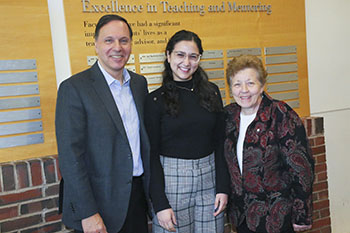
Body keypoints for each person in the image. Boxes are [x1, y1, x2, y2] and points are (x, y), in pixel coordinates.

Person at [55, 14, 150, 233]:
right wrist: (87, 212)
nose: (117, 47)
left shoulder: (139, 84)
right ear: (96, 45)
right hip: (98, 204)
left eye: (124, 40)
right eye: (109, 40)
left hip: (136, 199)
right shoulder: (75, 88)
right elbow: (70, 157)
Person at [144, 30, 230, 233]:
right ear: (168, 56)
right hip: (172, 183)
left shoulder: (212, 92)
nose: (186, 62)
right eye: (180, 55)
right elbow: (151, 155)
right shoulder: (155, 100)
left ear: (199, 58)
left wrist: (223, 188)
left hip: (209, 181)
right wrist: (160, 203)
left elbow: (220, 143)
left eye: (193, 56)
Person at [224, 55, 314, 233]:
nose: (244, 90)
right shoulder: (228, 116)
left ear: (262, 85)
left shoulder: (281, 114)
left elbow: (302, 168)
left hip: (277, 216)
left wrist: (302, 214)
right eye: (237, 84)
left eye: (250, 83)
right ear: (230, 88)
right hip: (242, 216)